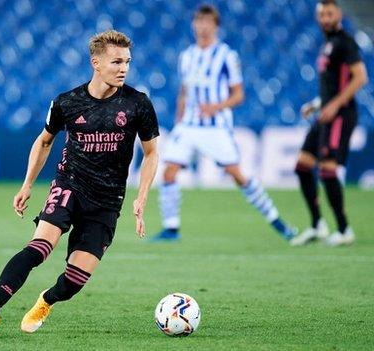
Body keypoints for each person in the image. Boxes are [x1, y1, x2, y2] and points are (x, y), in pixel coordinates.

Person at [0, 30, 159, 337]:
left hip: (107, 200)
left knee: (74, 280)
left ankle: (47, 300)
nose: (123, 68)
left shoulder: (138, 104)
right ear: (96, 62)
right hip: (70, 185)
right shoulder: (67, 102)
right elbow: (44, 142)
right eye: (116, 61)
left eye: (127, 62)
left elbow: (151, 154)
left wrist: (142, 197)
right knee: (39, 247)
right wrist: (27, 184)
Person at [153, 4, 295, 241]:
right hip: (188, 125)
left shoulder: (226, 56)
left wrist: (215, 107)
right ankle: (171, 228)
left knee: (237, 175)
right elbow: (184, 91)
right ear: (193, 24)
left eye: (207, 22)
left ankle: (277, 220)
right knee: (169, 171)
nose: (202, 26)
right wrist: (180, 119)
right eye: (198, 22)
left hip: (215, 127)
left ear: (216, 26)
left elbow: (238, 95)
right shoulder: (187, 56)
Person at [290, 0, 368, 247]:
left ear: (339, 14)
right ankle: (318, 225)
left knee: (327, 169)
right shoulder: (328, 44)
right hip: (325, 112)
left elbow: (360, 77)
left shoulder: (345, 42)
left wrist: (334, 105)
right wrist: (317, 103)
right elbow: (334, 82)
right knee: (303, 166)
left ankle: (344, 229)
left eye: (330, 13)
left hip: (341, 114)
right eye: (322, 14)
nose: (325, 18)